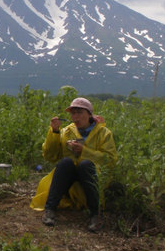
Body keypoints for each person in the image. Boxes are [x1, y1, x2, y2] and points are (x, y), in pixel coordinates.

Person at [30, 97, 117, 232]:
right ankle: (50, 210)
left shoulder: (104, 133)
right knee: (65, 162)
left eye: (79, 112)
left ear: (89, 114)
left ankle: (96, 215)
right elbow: (51, 156)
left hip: (91, 176)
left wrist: (85, 151)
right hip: (69, 178)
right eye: (73, 113)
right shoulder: (67, 131)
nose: (75, 117)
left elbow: (109, 160)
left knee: (85, 165)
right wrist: (54, 132)